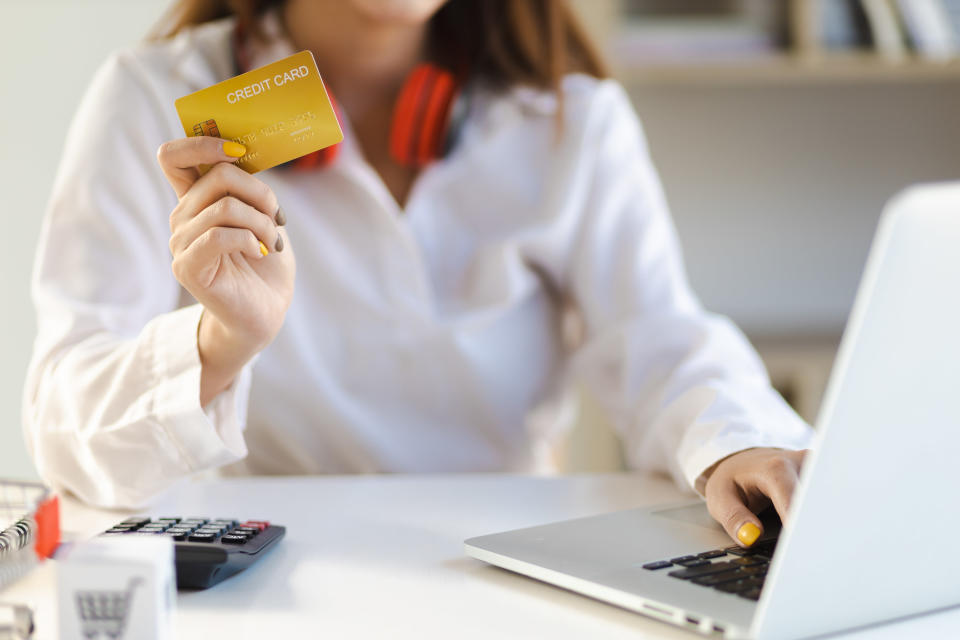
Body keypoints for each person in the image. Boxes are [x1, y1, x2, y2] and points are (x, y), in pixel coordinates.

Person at [23, 0, 813, 547]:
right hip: (261, 575)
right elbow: (64, 429)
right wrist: (218, 343)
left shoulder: (572, 117)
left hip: (503, 569)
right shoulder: (150, 97)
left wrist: (736, 445)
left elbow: (661, 340)